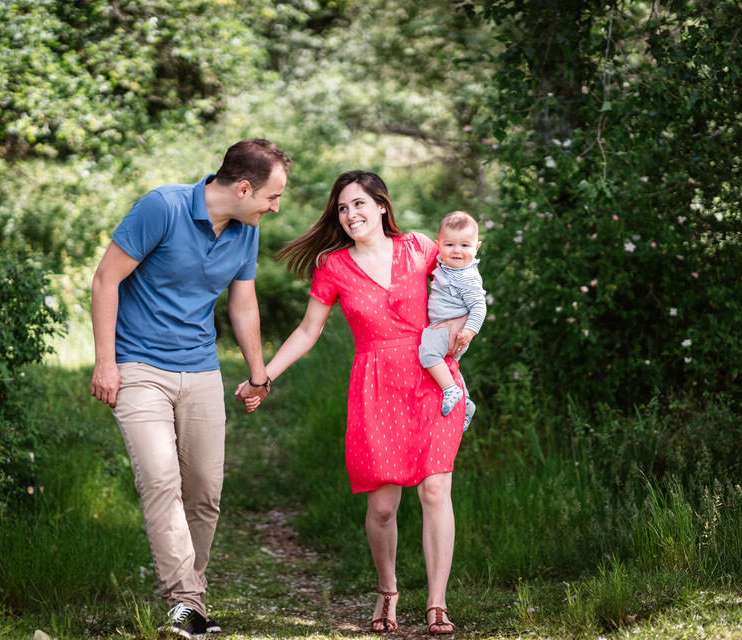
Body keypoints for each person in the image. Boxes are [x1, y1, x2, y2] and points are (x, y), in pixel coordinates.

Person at [236, 170, 465, 635]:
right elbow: (307, 330)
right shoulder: (333, 266)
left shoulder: (420, 247)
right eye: (342, 208)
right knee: (382, 507)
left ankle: (437, 604)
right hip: (375, 387)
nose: (350, 214)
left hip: (431, 380)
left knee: (435, 490)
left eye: (359, 204)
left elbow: (464, 283)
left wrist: (462, 334)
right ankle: (388, 591)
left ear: (382, 206)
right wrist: (264, 378)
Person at [90, 138, 291, 639]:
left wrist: (258, 373)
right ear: (244, 188)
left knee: (204, 489)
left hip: (200, 369)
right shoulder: (163, 207)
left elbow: (242, 305)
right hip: (138, 367)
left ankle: (191, 597)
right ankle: (185, 603)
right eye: (272, 196)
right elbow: (104, 281)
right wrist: (106, 363)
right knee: (159, 480)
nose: (275, 206)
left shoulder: (246, 231)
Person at [418, 211, 486, 429]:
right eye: (450, 245)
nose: (457, 251)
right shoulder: (445, 265)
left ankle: (450, 390)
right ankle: (465, 402)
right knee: (449, 365)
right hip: (445, 329)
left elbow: (479, 307)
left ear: (476, 248)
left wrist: (469, 331)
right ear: (439, 246)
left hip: (452, 330)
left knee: (427, 353)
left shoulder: (467, 277)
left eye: (465, 246)